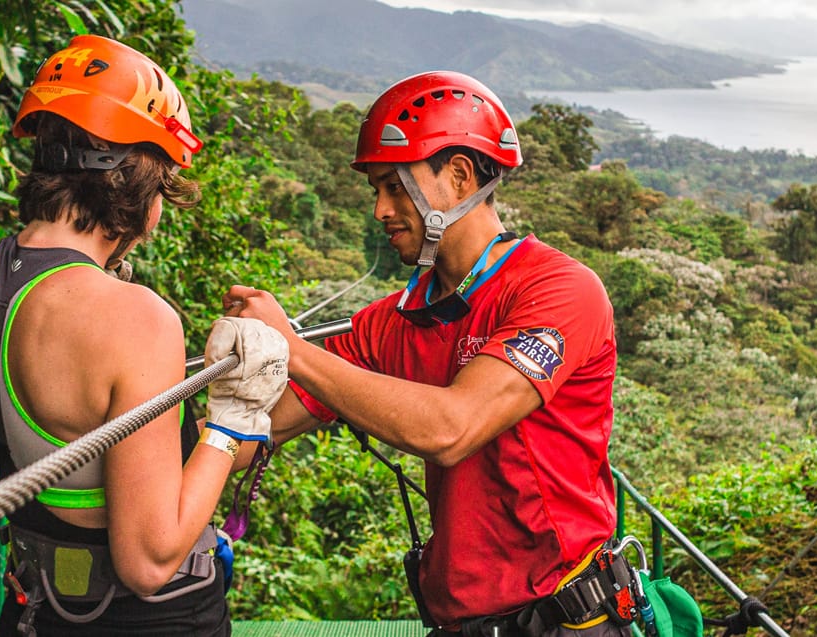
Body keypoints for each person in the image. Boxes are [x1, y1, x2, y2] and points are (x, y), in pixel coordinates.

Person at [224, 71, 631, 637]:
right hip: (460, 619)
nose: (380, 210)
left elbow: (452, 428)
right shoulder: (395, 322)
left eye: (395, 186)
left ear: (460, 177)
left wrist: (290, 348)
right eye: (376, 191)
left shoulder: (558, 290)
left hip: (564, 619)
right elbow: (253, 431)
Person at [0, 34, 287, 637]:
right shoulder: (136, 316)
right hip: (147, 621)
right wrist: (234, 420)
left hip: (30, 610)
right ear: (144, 193)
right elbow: (149, 560)